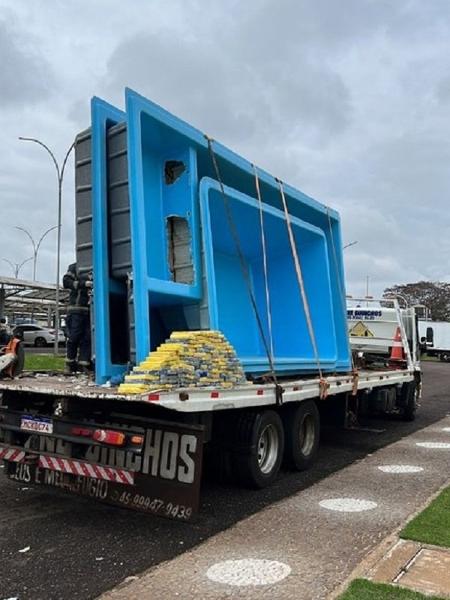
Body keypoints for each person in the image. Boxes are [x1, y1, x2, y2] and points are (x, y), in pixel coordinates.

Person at [63, 263, 92, 374]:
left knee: (87, 338)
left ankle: (83, 364)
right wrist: (84, 284)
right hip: (76, 309)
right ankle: (70, 364)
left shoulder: (96, 264)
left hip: (90, 311)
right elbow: (66, 282)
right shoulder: (76, 266)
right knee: (74, 337)